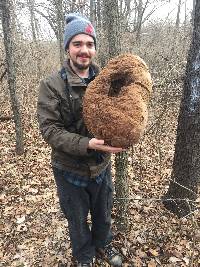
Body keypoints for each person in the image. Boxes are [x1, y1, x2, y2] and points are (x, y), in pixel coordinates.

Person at [37, 13, 123, 267]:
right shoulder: (52, 85)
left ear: (95, 48)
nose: (84, 50)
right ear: (67, 47)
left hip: (101, 166)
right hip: (68, 169)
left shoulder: (108, 81)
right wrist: (87, 144)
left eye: (89, 44)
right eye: (77, 44)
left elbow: (122, 114)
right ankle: (84, 255)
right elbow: (50, 130)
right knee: (76, 218)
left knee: (103, 213)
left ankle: (103, 243)